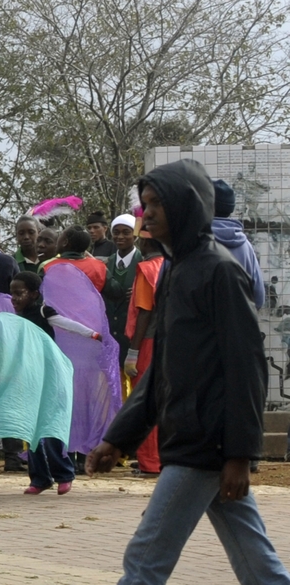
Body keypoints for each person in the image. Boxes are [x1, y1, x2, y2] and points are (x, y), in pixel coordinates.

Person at [86, 159, 290, 584]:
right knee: (256, 563)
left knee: (145, 558)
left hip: (204, 445)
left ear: (188, 205)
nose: (149, 213)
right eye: (145, 204)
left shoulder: (220, 271)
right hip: (194, 439)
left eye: (158, 202)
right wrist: (117, 439)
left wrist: (240, 455)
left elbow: (246, 367)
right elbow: (162, 370)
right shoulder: (174, 271)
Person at [9, 271, 79, 495]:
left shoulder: (42, 311)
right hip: (28, 376)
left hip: (48, 376)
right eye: (12, 294)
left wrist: (94, 335)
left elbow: (67, 324)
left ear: (33, 294)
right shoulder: (16, 318)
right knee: (31, 429)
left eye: (19, 293)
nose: (14, 298)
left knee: (50, 425)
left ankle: (64, 474)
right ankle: (39, 478)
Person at [122, 233, 165, 476]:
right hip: (166, 339)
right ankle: (155, 457)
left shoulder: (146, 269)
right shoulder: (168, 264)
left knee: (145, 399)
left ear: (148, 242)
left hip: (148, 340)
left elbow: (144, 312)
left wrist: (133, 351)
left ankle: (150, 462)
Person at [211, 179, 265, 309]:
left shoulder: (187, 242)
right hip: (236, 326)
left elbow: (162, 291)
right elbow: (259, 298)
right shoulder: (245, 247)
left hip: (195, 327)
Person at [101, 215, 140, 370]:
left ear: (135, 235)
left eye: (126, 232)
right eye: (116, 232)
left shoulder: (143, 262)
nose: (120, 236)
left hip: (132, 337)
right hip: (109, 335)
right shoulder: (105, 264)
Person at [41, 226, 106, 291]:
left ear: (65, 242)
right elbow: (114, 291)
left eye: (60, 235)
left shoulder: (48, 266)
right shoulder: (99, 267)